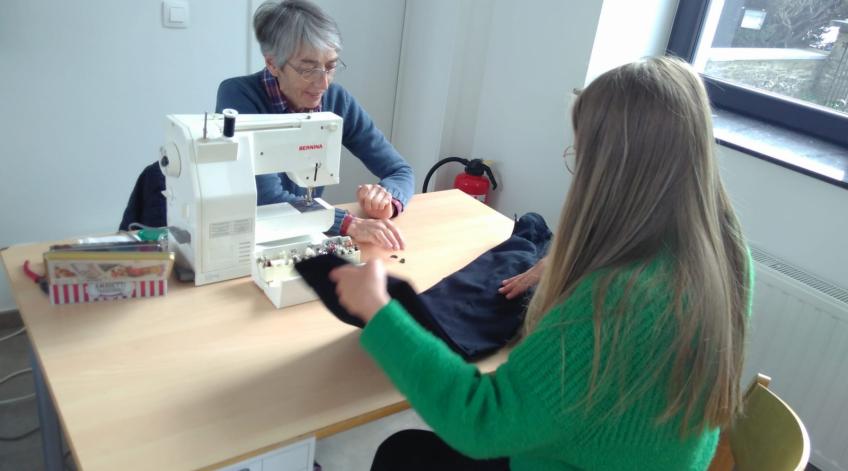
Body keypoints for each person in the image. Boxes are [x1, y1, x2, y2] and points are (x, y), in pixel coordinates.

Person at [327, 56, 753, 470]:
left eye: (582, 153)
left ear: (612, 169)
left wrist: (380, 312)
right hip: (654, 457)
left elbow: (481, 423)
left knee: (402, 454)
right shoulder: (723, 251)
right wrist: (572, 264)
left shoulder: (613, 300)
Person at [216, 0, 413, 251]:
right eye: (308, 70)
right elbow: (265, 199)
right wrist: (347, 223)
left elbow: (400, 170)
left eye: (330, 67)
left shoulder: (336, 100)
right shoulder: (238, 96)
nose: (323, 84)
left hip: (305, 230)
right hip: (245, 236)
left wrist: (387, 199)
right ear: (273, 64)